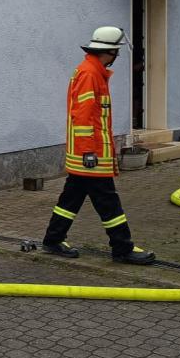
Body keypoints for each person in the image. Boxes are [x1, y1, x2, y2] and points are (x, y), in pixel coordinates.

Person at [41, 26, 155, 265]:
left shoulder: (91, 71)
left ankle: (53, 240)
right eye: (116, 52)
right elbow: (82, 117)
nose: (116, 57)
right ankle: (123, 248)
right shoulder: (90, 74)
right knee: (108, 201)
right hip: (91, 155)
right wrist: (89, 152)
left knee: (71, 199)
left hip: (88, 153)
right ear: (110, 52)